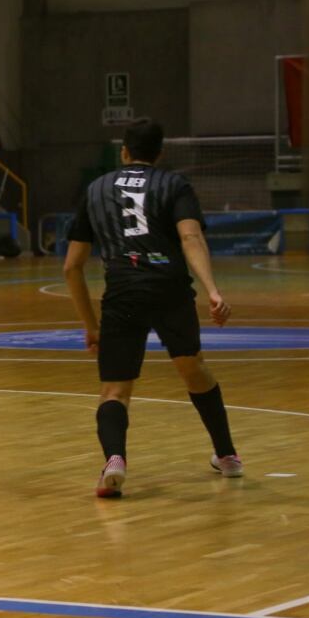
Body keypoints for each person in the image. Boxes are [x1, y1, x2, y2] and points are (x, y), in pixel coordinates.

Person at [63, 118, 242, 499]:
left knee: (115, 390)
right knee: (193, 368)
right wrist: (212, 290)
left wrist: (90, 325)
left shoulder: (96, 189)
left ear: (124, 151)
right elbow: (190, 236)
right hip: (170, 289)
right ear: (160, 153)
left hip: (123, 292)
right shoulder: (174, 185)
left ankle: (115, 460)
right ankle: (227, 455)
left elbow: (71, 267)